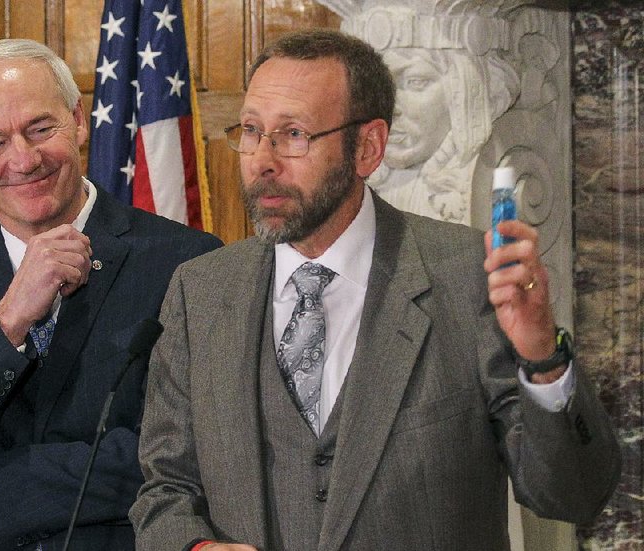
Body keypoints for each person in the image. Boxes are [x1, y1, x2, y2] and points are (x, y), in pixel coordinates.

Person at [130, 29, 620, 551]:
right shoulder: (200, 290)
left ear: (367, 148)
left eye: (293, 134)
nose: (262, 160)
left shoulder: (466, 277)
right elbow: (165, 488)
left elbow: (574, 495)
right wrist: (195, 547)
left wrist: (543, 359)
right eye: (251, 131)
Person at [0, 39, 221, 550]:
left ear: (79, 121)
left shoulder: (188, 263)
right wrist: (8, 324)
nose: (24, 158)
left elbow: (195, 450)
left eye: (41, 129)